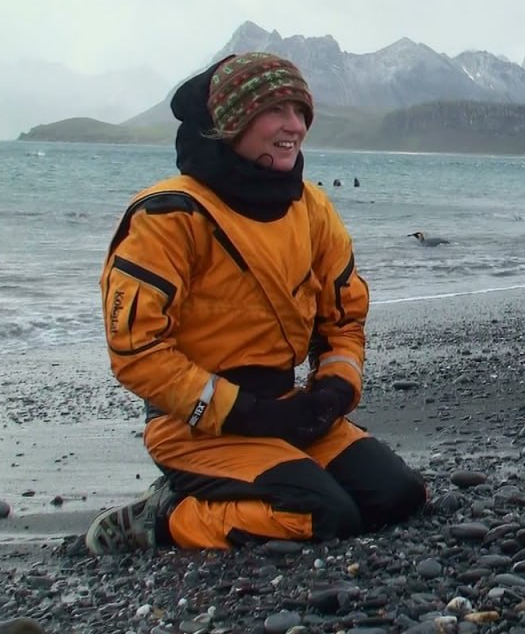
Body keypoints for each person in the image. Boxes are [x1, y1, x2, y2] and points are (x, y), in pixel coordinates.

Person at [86, 52, 427, 554]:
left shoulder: (310, 208)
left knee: (398, 497)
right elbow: (137, 350)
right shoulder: (170, 215)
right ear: (231, 122)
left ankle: (259, 476)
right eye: (276, 111)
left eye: (300, 112)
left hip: (287, 410)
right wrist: (240, 412)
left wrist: (333, 389)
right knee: (319, 515)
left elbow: (344, 316)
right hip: (195, 428)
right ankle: (163, 517)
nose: (294, 126)